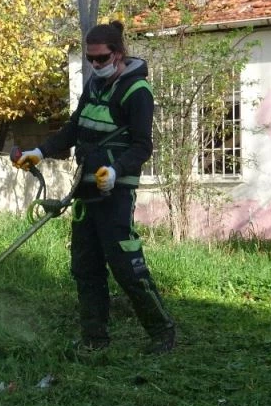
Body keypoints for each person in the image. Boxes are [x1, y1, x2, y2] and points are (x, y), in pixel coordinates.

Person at [13, 21, 176, 354]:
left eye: (101, 58)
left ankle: (162, 332)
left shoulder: (138, 92)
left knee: (125, 264)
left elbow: (143, 146)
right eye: (90, 59)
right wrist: (40, 151)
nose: (95, 64)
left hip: (116, 191)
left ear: (118, 54)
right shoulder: (94, 85)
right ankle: (94, 338)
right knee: (85, 266)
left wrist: (115, 171)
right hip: (85, 189)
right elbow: (74, 128)